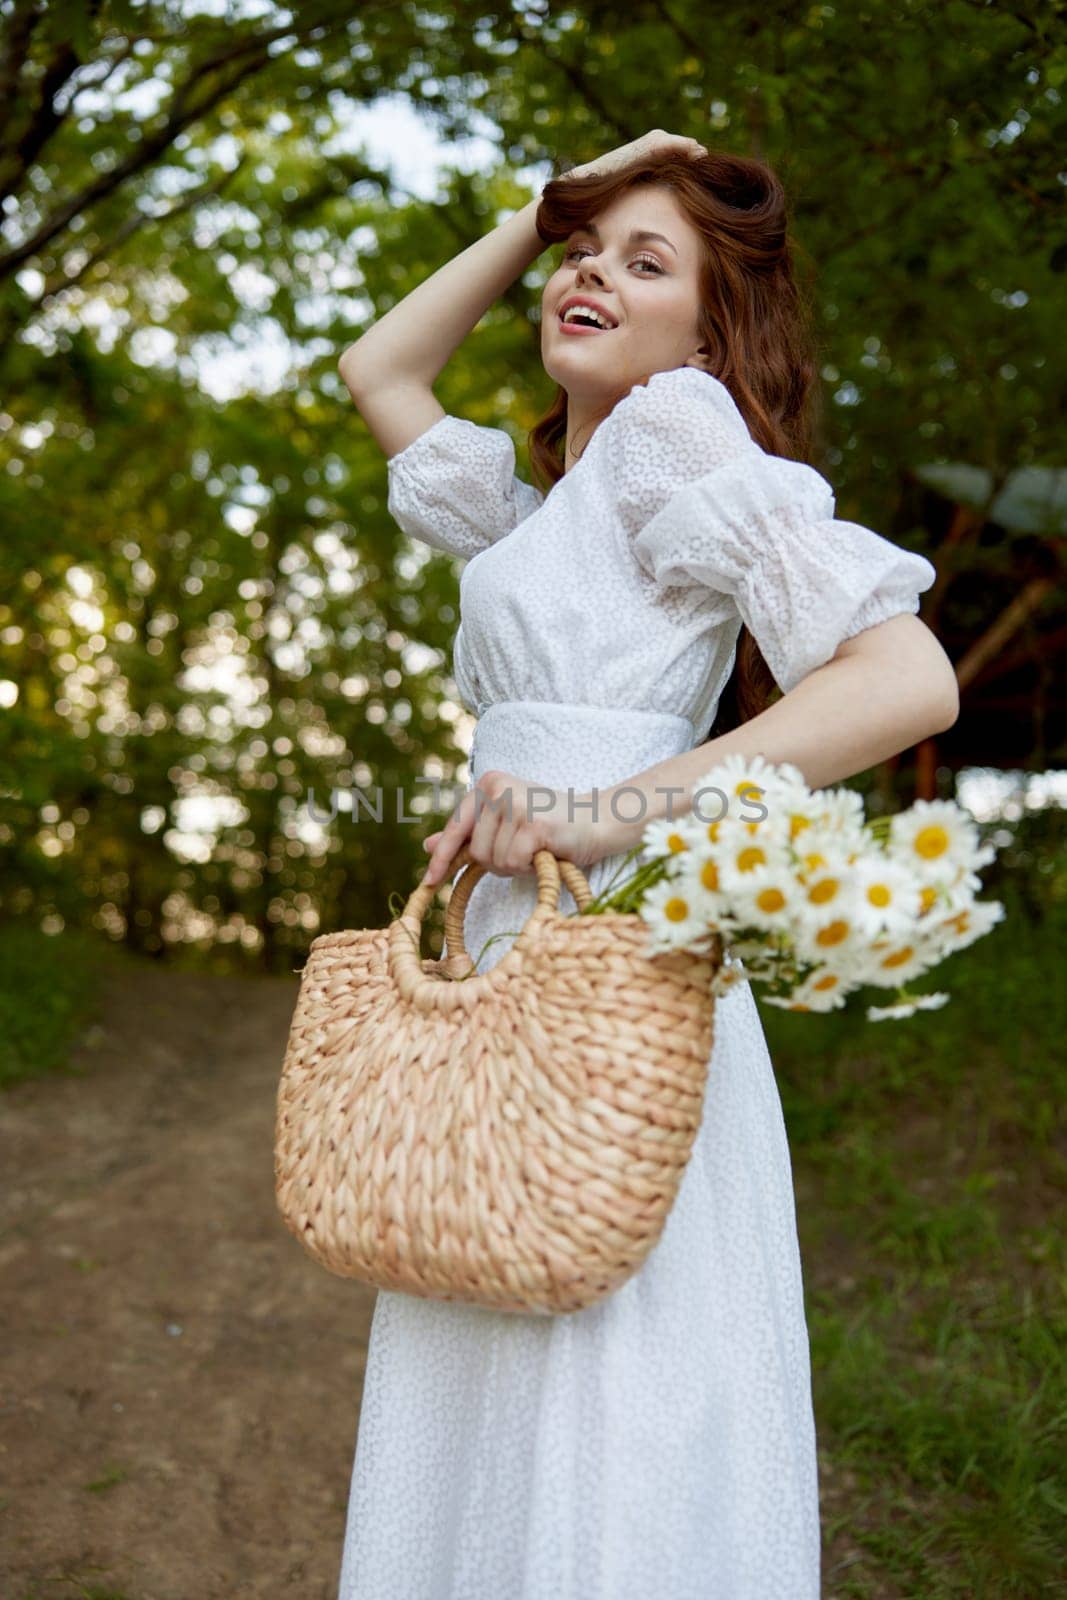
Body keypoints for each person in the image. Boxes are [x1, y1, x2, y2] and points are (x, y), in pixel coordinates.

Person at [335, 130, 959, 1600]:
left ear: (708, 327)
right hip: (506, 948)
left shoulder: (680, 428)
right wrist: (537, 206)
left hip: (616, 949)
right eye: (581, 253)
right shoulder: (549, 512)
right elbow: (380, 371)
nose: (588, 275)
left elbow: (906, 681)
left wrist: (614, 809)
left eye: (644, 258)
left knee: (609, 1360)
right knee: (491, 1289)